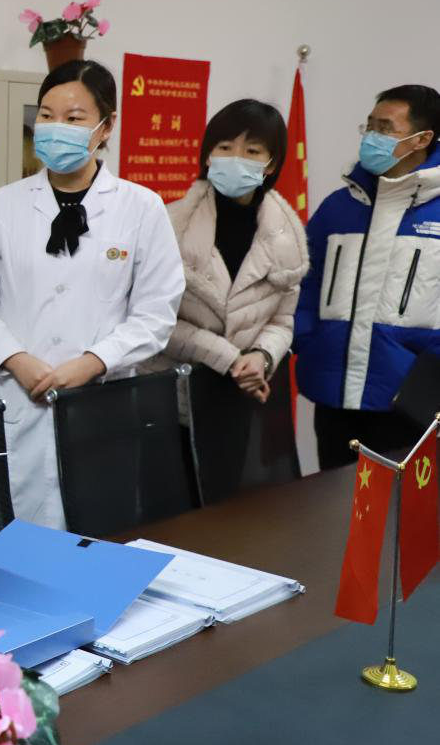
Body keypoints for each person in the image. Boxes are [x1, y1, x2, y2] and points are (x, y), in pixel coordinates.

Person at [0, 60, 185, 529]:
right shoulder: (4, 205)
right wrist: (16, 358)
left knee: (98, 532)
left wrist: (94, 361)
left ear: (106, 126)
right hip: (19, 397)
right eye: (46, 115)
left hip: (101, 401)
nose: (56, 127)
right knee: (16, 538)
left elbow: (156, 313)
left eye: (74, 118)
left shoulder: (141, 207)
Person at [294, 84, 440, 469]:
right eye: (369, 126)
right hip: (334, 393)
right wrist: (307, 339)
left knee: (403, 505)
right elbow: (304, 282)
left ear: (422, 138)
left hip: (411, 402)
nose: (372, 137)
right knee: (331, 501)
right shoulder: (338, 207)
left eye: (385, 128)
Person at [145, 99, 309, 405]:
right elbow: (153, 317)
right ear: (209, 155)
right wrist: (230, 358)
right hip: (169, 393)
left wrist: (262, 356)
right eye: (225, 147)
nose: (236, 159)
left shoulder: (287, 236)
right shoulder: (169, 224)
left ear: (271, 164)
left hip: (240, 395)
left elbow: (281, 321)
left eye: (252, 151)